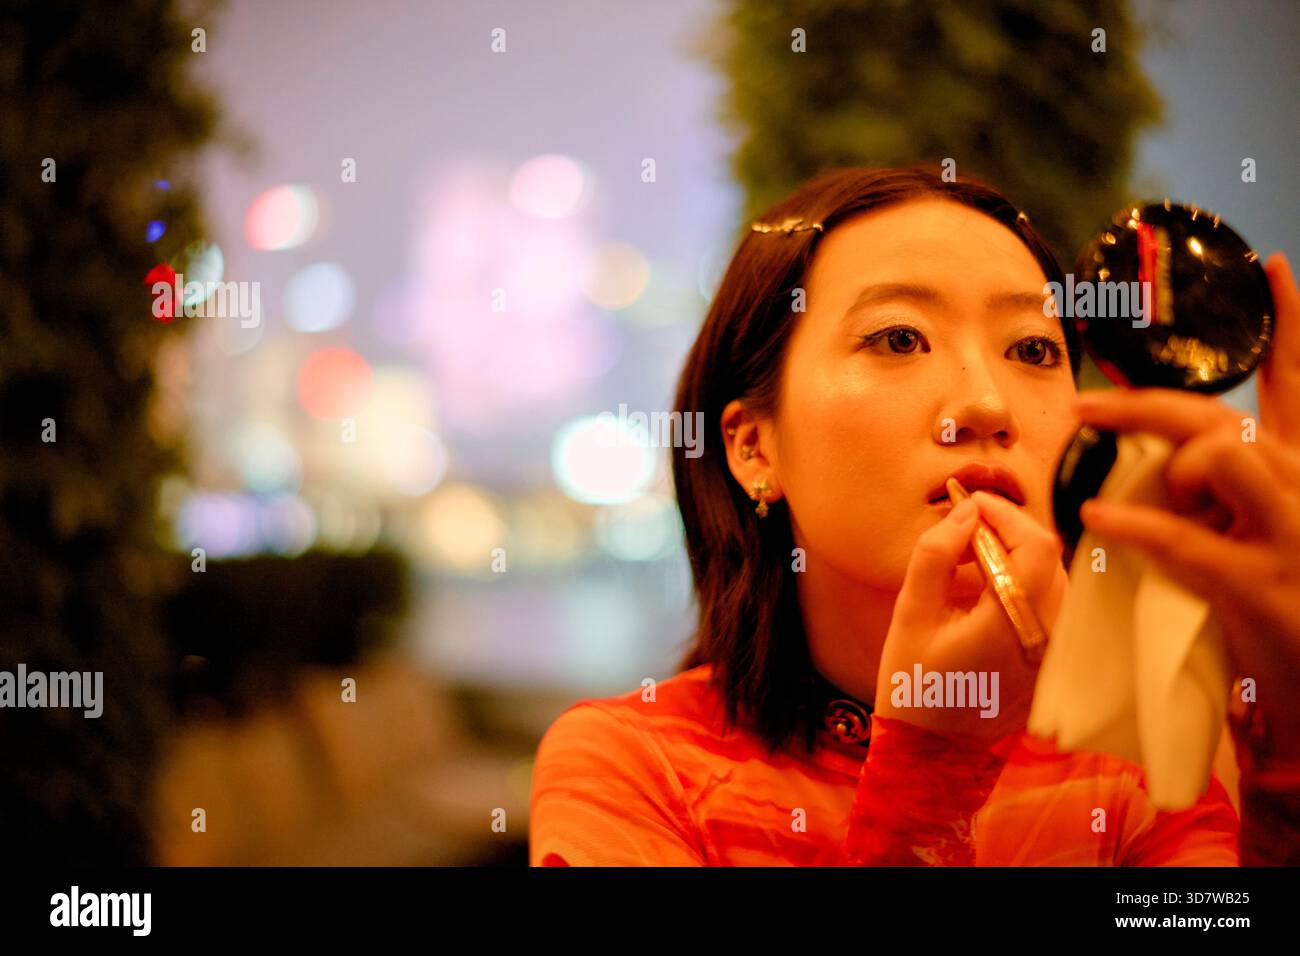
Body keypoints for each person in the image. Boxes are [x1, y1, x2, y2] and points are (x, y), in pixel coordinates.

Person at [528, 166, 1300, 866]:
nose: (986, 405)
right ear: (752, 447)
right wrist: (932, 763)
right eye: (900, 338)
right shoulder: (632, 768)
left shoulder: (1132, 766)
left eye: (1033, 349)